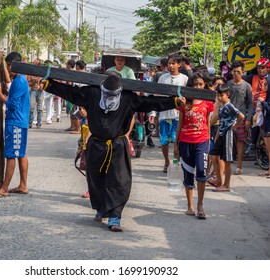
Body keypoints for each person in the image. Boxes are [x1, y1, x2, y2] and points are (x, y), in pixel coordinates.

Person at [45, 71, 185, 232]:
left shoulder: (127, 97)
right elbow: (71, 93)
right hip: (96, 144)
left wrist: (174, 102)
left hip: (117, 145)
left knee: (119, 181)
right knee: (96, 179)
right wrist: (50, 85)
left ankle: (115, 216)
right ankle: (101, 209)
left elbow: (150, 102)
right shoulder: (93, 93)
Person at [0, 52, 30, 199]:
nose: (9, 67)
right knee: (20, 154)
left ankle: (4, 188)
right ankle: (23, 185)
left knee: (11, 155)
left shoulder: (19, 81)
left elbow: (12, 104)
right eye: (8, 65)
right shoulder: (19, 79)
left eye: (11, 65)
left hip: (16, 122)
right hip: (19, 121)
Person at [174, 72, 214, 219]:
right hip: (185, 141)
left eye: (200, 84)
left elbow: (208, 123)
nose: (198, 87)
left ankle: (200, 206)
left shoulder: (208, 102)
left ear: (204, 85)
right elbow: (180, 123)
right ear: (190, 86)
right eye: (195, 84)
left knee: (202, 173)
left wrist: (209, 143)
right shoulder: (184, 102)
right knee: (188, 174)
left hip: (202, 141)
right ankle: (190, 206)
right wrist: (175, 144)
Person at [210, 84, 244, 192]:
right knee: (213, 155)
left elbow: (241, 116)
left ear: (227, 95)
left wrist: (234, 126)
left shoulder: (229, 106)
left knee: (227, 160)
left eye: (221, 95)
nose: (219, 98)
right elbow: (221, 122)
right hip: (221, 133)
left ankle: (226, 185)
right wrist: (217, 135)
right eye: (218, 95)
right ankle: (219, 180)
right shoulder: (221, 106)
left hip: (229, 134)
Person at [158, 54, 188, 172]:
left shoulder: (184, 79)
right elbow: (157, 95)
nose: (171, 65)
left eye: (173, 63)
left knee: (176, 140)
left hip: (178, 115)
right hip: (164, 114)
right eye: (169, 63)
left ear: (179, 64)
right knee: (164, 140)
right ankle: (166, 161)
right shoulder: (162, 78)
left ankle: (176, 162)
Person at [227, 60, 253, 175]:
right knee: (227, 141)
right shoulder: (228, 84)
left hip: (241, 117)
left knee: (240, 142)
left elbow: (250, 103)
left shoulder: (247, 86)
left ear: (242, 72)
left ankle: (239, 166)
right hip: (228, 116)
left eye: (238, 72)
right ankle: (226, 164)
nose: (236, 74)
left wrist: (248, 118)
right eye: (234, 72)